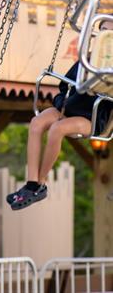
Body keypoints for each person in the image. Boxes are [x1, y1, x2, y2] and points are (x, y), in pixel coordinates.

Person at [7, 19, 113, 211]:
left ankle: (39, 184)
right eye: (102, 31)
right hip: (68, 108)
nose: (104, 36)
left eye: (109, 33)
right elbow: (65, 85)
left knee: (57, 129)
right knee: (37, 122)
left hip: (92, 117)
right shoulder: (86, 59)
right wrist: (60, 102)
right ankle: (31, 181)